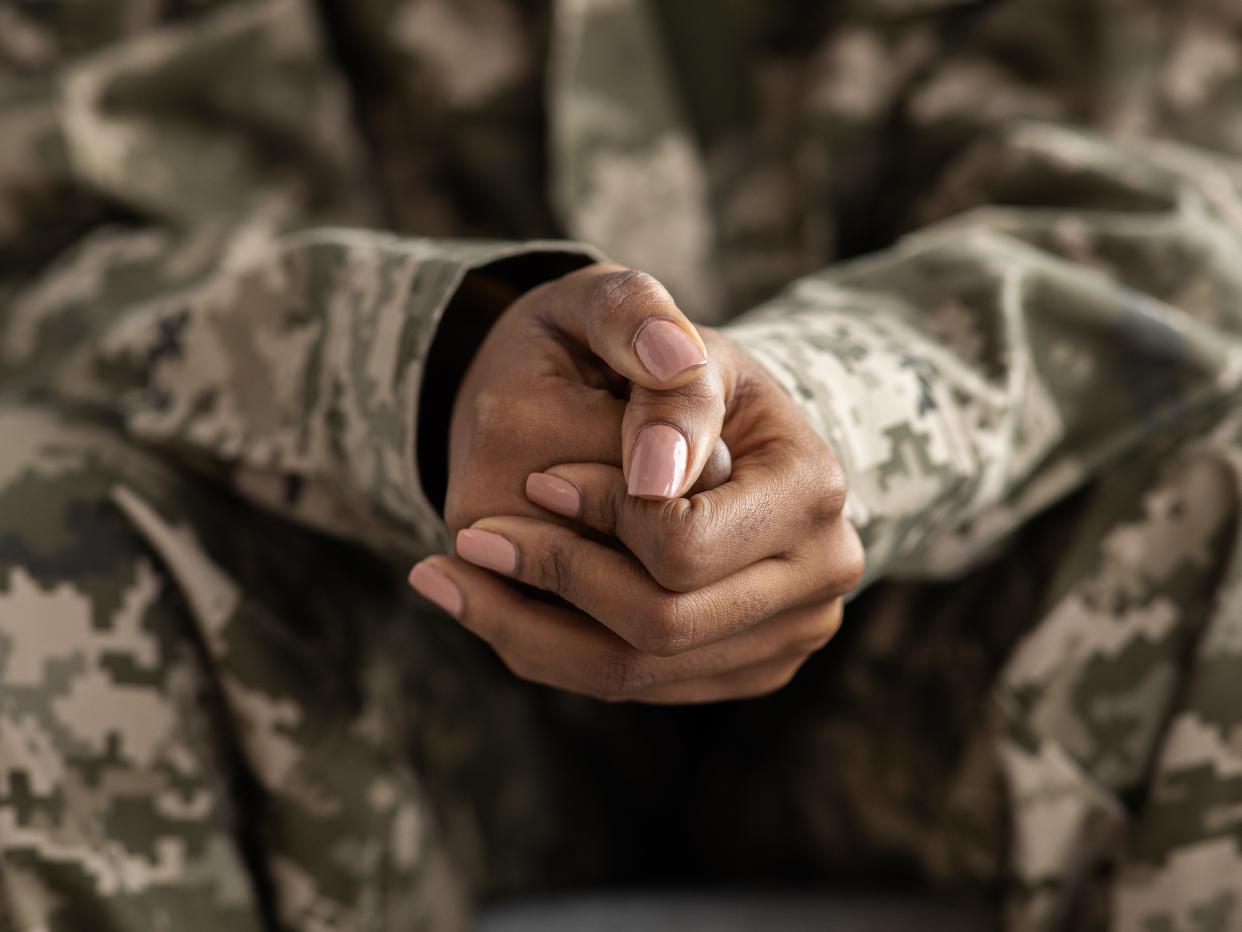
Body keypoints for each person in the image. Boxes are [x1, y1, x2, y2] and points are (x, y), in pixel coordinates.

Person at [2, 0, 1241, 929]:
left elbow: (1176, 201)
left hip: (971, 597)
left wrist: (834, 416)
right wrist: (429, 363)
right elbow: (56, 235)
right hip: (367, 591)